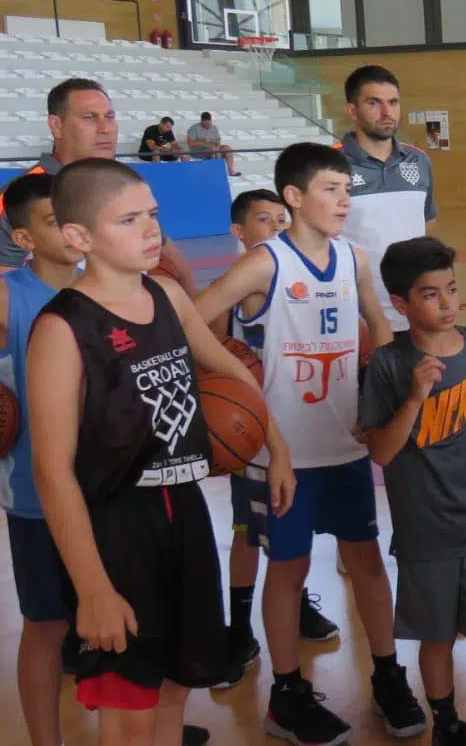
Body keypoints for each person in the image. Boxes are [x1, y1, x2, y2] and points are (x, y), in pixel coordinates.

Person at [27, 159, 294, 746]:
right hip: (115, 530)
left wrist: (276, 447)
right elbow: (52, 472)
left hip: (184, 510)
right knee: (129, 707)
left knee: (176, 687)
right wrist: (93, 588)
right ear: (79, 237)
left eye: (152, 214)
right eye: (128, 220)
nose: (151, 229)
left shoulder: (167, 294)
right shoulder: (61, 328)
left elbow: (229, 368)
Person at [194, 142, 425, 746]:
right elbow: (193, 318)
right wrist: (236, 374)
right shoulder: (264, 263)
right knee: (288, 570)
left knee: (368, 563)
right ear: (294, 197)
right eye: (330, 189)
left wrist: (380, 395)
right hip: (282, 456)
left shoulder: (354, 259)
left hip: (345, 445)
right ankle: (286, 696)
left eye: (347, 189)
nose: (344, 199)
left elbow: (379, 324)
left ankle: (387, 675)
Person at [360, 237, 466, 746]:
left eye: (451, 288)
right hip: (425, 530)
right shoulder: (387, 364)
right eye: (430, 294)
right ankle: (447, 723)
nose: (447, 302)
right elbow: (382, 453)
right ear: (400, 304)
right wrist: (415, 397)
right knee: (437, 639)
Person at [212, 189, 339, 693]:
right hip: (253, 433)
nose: (276, 227)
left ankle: (297, 601)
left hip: (302, 427)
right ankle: (239, 630)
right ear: (239, 232)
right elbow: (209, 348)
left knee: (295, 528)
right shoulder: (235, 285)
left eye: (281, 219)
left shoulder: (302, 277)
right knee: (248, 530)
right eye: (264, 220)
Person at [1, 173, 87, 746]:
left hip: (111, 488)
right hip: (39, 497)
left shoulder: (108, 287)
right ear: (24, 239)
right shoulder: (9, 295)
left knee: (123, 619)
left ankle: (132, 729)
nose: (71, 230)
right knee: (47, 625)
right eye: (55, 222)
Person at [0, 80, 198, 298]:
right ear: (56, 125)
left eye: (109, 117)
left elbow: (166, 248)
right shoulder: (20, 195)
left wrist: (190, 298)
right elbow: (5, 280)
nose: (105, 129)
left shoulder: (121, 182)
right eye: (89, 117)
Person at [337, 65, 438, 334]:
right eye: (374, 103)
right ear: (351, 110)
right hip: (357, 320)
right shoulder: (331, 165)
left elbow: (428, 226)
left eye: (393, 103)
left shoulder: (419, 161)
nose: (387, 112)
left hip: (414, 314)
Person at [184, 112, 239, 176]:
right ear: (201, 121)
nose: (208, 126)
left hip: (213, 148)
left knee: (227, 148)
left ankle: (231, 171)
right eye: (206, 124)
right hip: (198, 150)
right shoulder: (194, 128)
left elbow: (218, 141)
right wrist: (204, 142)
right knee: (213, 150)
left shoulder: (214, 127)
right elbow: (190, 143)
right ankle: (216, 172)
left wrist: (216, 146)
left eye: (209, 123)